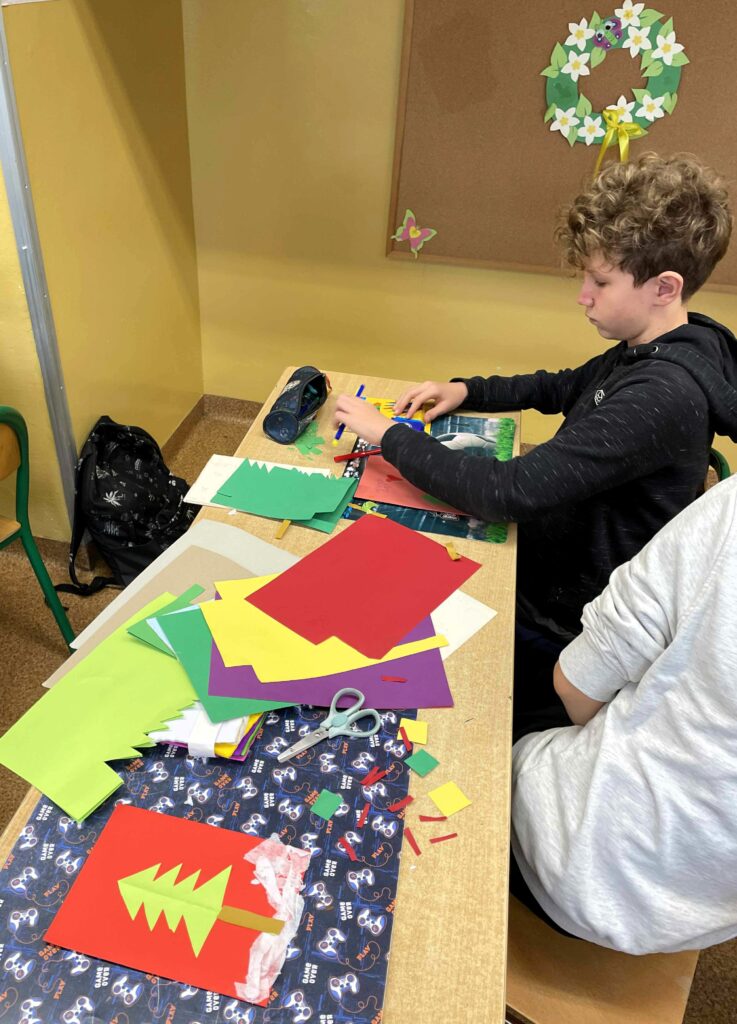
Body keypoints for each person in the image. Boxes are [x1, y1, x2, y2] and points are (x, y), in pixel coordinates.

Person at [334, 153, 737, 684]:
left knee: (381, 639)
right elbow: (563, 386)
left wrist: (388, 434)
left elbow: (509, 491)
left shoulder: (661, 394)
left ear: (664, 287)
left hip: (566, 624)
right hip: (558, 566)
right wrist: (467, 389)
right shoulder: (661, 343)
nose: (582, 296)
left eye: (600, 282)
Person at [510, 473, 737, 954]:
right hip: (695, 920)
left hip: (568, 866)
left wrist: (391, 439)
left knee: (477, 699)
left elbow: (575, 683)